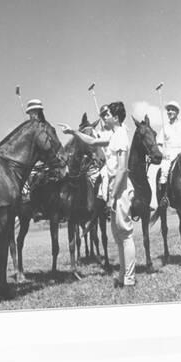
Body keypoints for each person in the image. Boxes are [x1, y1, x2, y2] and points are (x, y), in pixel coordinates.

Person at [59, 101, 136, 287]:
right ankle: (122, 276)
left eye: (106, 115)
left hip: (121, 189)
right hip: (113, 189)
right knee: (118, 236)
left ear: (115, 118)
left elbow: (122, 170)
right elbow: (92, 141)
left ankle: (130, 279)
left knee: (125, 234)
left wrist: (111, 197)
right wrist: (74, 133)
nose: (103, 118)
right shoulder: (114, 135)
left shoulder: (121, 136)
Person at [159, 100, 181, 209]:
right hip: (169, 154)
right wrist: (163, 154)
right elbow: (159, 144)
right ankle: (164, 198)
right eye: (168, 110)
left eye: (172, 109)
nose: (170, 112)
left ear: (177, 112)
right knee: (163, 171)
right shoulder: (164, 128)